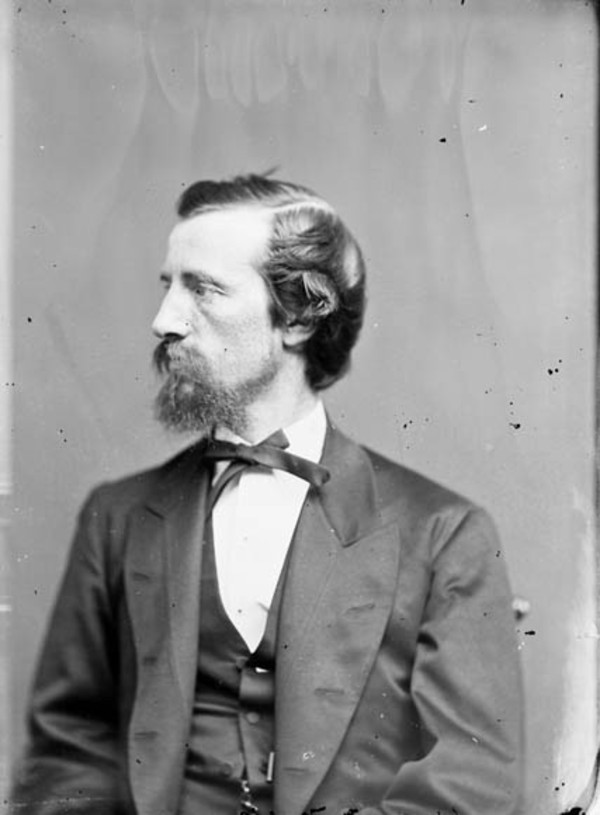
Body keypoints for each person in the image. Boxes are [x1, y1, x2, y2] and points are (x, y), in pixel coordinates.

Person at [12, 174, 524, 815]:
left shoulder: (443, 533)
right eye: (169, 286)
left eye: (203, 289)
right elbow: (68, 752)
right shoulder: (117, 517)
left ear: (300, 317)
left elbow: (470, 784)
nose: (164, 321)